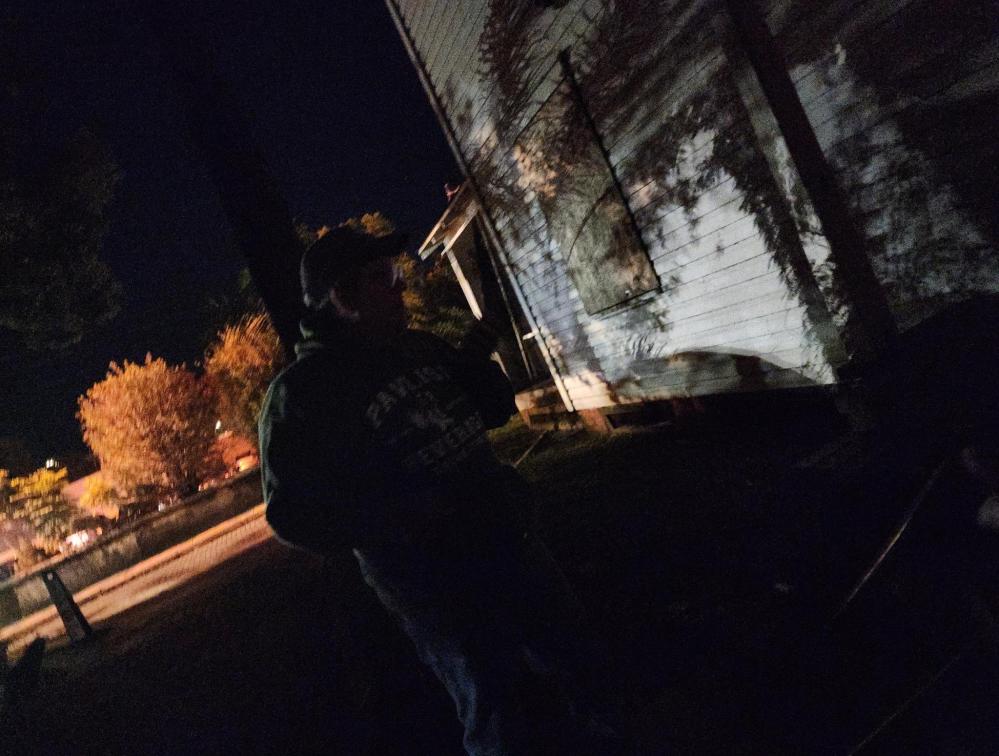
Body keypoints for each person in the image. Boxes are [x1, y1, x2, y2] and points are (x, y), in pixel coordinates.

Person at [258, 225, 630, 755]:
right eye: (385, 278)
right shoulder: (303, 395)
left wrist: (478, 371)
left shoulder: (415, 346)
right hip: (435, 586)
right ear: (343, 298)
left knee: (580, 661)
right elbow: (292, 513)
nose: (401, 288)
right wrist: (401, 516)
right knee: (495, 707)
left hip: (509, 540)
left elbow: (492, 409)